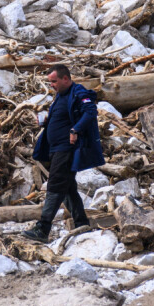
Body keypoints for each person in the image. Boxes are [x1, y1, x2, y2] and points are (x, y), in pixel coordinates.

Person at [22, 64, 105, 242]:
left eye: (54, 81)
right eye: (50, 81)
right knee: (68, 189)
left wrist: (75, 130)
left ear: (65, 79)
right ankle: (82, 225)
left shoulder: (78, 92)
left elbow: (90, 111)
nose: (51, 85)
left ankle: (43, 228)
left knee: (55, 184)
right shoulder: (60, 96)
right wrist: (46, 121)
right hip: (54, 149)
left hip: (66, 149)